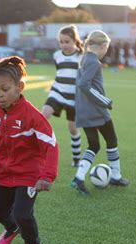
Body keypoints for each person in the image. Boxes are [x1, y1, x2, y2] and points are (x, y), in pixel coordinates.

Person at [0, 56, 59, 244]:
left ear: (19, 87)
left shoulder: (33, 116)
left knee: (22, 214)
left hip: (29, 174)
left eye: (4, 89)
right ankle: (11, 228)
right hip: (2, 172)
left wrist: (47, 176)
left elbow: (51, 145)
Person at [71, 30, 130, 195]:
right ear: (103, 46)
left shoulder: (84, 59)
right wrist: (105, 101)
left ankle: (79, 177)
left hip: (83, 111)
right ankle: (116, 176)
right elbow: (84, 84)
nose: (106, 51)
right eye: (107, 48)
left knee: (94, 145)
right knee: (112, 139)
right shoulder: (94, 62)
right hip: (95, 111)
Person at [42, 25, 83, 167]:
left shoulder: (81, 56)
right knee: (43, 116)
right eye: (61, 42)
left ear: (74, 41)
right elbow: (59, 73)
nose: (64, 45)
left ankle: (77, 158)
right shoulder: (57, 55)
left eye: (67, 41)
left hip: (74, 98)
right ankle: (41, 152)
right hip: (57, 92)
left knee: (72, 128)